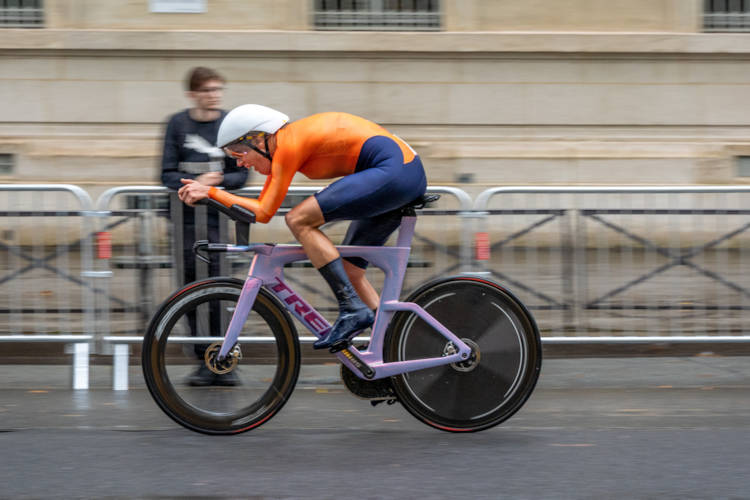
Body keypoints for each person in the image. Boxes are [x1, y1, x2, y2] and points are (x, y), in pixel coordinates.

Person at [178, 105, 427, 352]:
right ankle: (391, 343)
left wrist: (210, 191)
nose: (241, 163)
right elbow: (258, 208)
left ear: (259, 139)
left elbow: (263, 213)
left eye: (240, 153)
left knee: (298, 219)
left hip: (395, 173)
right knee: (351, 270)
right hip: (399, 173)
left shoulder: (288, 144)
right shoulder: (283, 145)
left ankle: (352, 308)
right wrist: (213, 196)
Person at [160, 67, 248, 385]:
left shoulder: (229, 124)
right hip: (184, 221)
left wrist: (217, 181)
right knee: (189, 293)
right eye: (208, 89)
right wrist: (195, 184)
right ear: (192, 93)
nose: (215, 95)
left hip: (216, 220)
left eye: (218, 89)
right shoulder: (177, 124)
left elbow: (242, 174)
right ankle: (201, 360)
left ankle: (224, 361)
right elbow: (166, 173)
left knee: (218, 292)